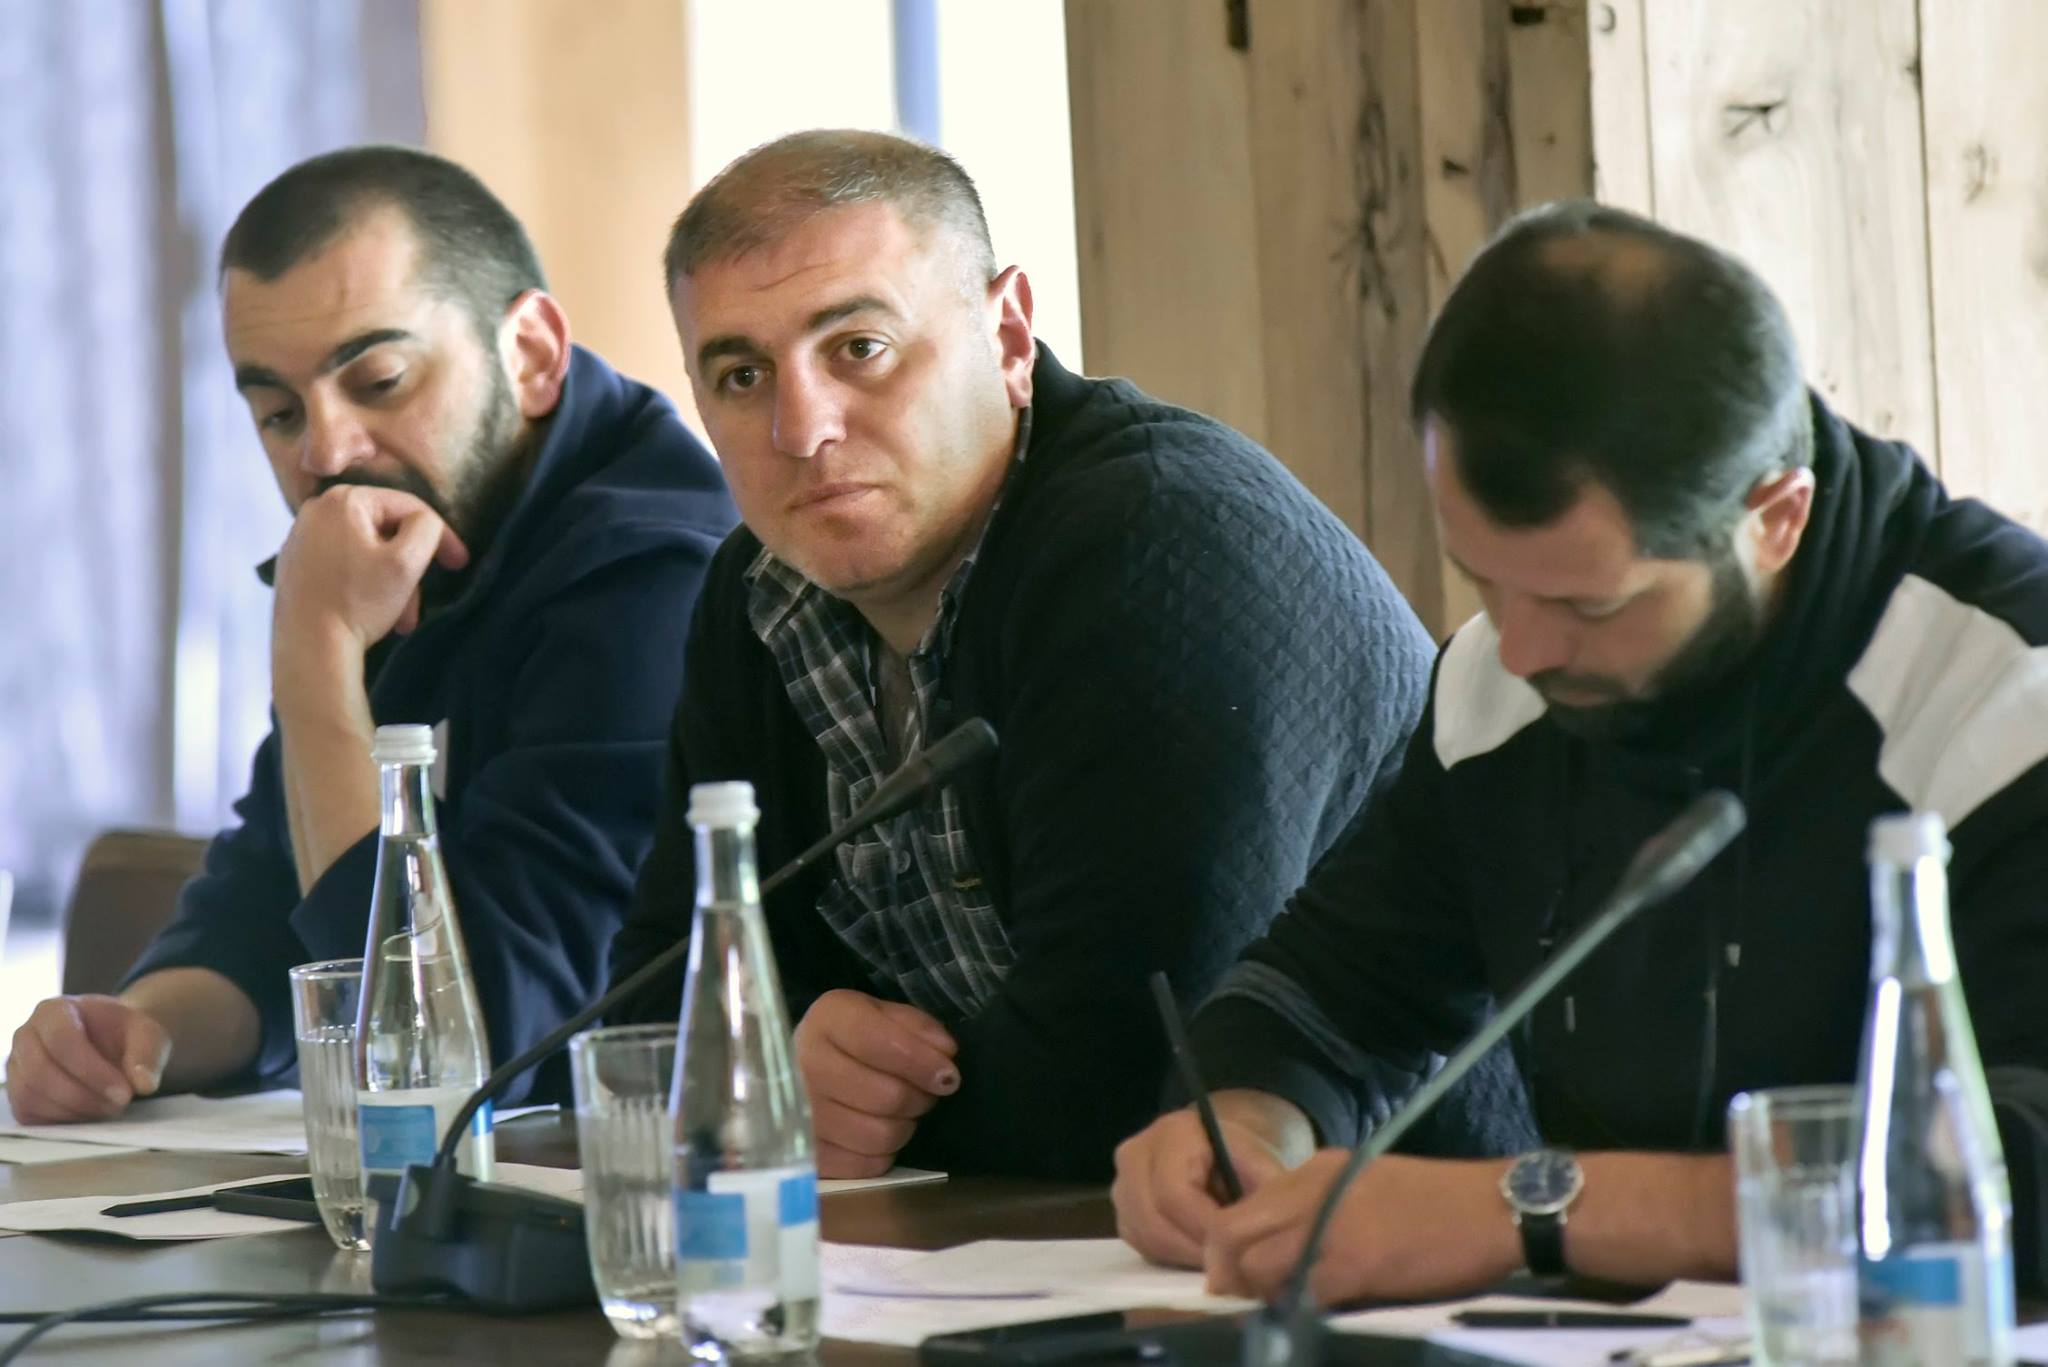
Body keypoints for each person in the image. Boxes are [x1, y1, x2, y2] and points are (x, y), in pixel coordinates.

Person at [1112, 201, 2048, 1301]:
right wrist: (1238, 1122)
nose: (1521, 647)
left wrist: (1530, 1207)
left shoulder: (1998, 695)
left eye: (1588, 604)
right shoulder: (1506, 679)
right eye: (1482, 579)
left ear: (1774, 519)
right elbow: (1325, 994)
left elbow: (2016, 1167)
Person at [607, 129, 1443, 1181]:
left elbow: (1134, 1081)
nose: (801, 428)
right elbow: (650, 1006)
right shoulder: (758, 592)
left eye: (859, 348)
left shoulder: (1156, 549)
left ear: (1006, 335)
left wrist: (787, 1100)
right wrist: (781, 1061)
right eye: (740, 374)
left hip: (1416, 1241)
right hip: (1016, 1247)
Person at [6, 146, 737, 1121]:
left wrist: (313, 647)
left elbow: (464, 1041)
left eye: (380, 379)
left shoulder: (653, 575)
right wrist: (134, 1033)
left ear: (530, 355)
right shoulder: (400, 546)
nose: (326, 452)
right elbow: (269, 905)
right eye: (278, 412)